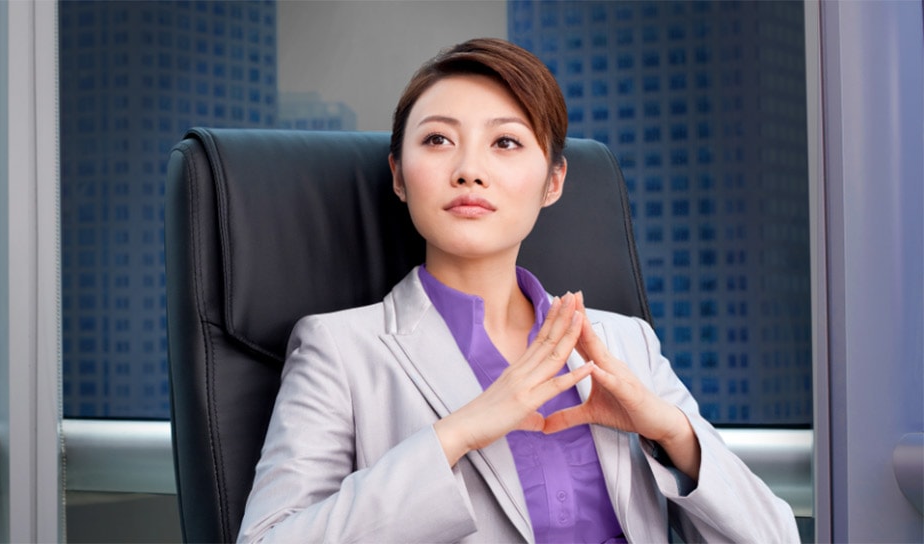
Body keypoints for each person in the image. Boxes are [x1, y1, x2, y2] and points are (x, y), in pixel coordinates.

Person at [238, 38, 799, 543]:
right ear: (399, 176)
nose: (469, 170)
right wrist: (457, 432)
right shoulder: (340, 349)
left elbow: (775, 538)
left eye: (505, 142)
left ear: (552, 182)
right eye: (438, 139)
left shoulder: (625, 342)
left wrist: (671, 432)